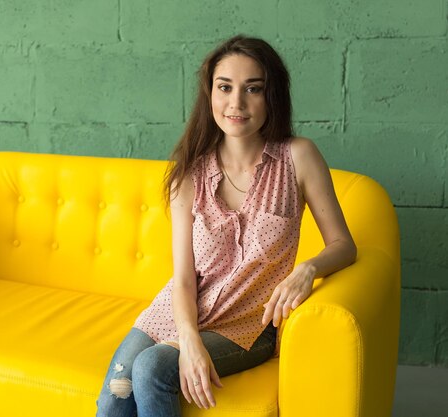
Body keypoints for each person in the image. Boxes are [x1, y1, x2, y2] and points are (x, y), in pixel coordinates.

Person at [96, 34, 357, 417]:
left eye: (253, 89)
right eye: (225, 87)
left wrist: (308, 269)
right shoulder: (189, 172)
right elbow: (183, 278)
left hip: (248, 325)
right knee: (116, 394)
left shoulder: (298, 158)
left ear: (273, 97)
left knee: (151, 367)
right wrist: (188, 340)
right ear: (210, 94)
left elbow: (344, 244)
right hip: (178, 311)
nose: (236, 103)